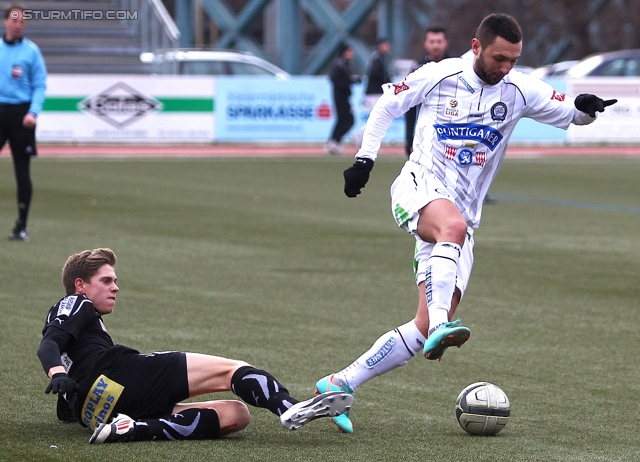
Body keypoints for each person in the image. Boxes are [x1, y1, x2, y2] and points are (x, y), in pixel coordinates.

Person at [316, 13, 616, 434]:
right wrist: (364, 160)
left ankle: (340, 381)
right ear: (476, 47)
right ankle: (443, 326)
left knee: (421, 329)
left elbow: (573, 114)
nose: (506, 67)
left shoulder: (520, 88)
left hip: (462, 220)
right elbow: (387, 105)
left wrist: (588, 111)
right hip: (419, 186)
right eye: (499, 58)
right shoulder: (439, 74)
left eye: (514, 59)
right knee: (449, 240)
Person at [37, 248, 354, 444]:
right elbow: (49, 344)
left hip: (99, 411)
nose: (116, 287)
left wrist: (68, 392)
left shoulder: (74, 319)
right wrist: (55, 373)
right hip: (120, 374)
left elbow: (66, 381)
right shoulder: (75, 303)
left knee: (236, 415)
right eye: (106, 280)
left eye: (115, 280)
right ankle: (289, 407)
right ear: (80, 286)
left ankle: (134, 429)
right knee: (232, 370)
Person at [0, 4, 46, 241]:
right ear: (5, 21)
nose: (18, 25)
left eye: (22, 22)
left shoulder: (31, 52)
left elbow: (39, 85)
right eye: (14, 20)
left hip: (22, 116)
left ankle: (21, 225)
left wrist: (33, 112)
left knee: (22, 170)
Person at [405, 26, 450, 157]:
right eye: (432, 41)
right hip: (424, 134)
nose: (435, 45)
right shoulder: (417, 69)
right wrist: (409, 138)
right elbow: (410, 106)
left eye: (439, 41)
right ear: (425, 43)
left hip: (452, 132)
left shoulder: (457, 66)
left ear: (446, 43)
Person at [351, 38, 392, 145]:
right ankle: (360, 135)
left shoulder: (377, 57)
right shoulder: (378, 58)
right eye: (386, 45)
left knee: (378, 118)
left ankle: (364, 137)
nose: (388, 47)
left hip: (374, 92)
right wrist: (385, 79)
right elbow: (374, 74)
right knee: (378, 118)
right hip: (375, 93)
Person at [325, 44, 359, 156]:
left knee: (342, 120)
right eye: (349, 51)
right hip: (341, 96)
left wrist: (352, 80)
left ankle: (334, 141)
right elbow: (334, 78)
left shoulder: (345, 64)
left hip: (344, 96)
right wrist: (348, 82)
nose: (351, 54)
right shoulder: (340, 64)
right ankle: (334, 141)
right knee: (348, 120)